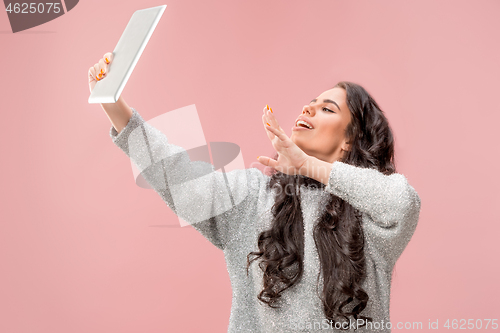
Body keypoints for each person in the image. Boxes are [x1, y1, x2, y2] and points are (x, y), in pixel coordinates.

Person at [88, 52, 421, 333]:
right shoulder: (253, 196)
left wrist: (306, 165)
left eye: (327, 109)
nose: (307, 110)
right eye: (309, 104)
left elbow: (402, 202)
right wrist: (113, 104)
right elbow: (177, 175)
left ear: (349, 140)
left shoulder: (370, 216)